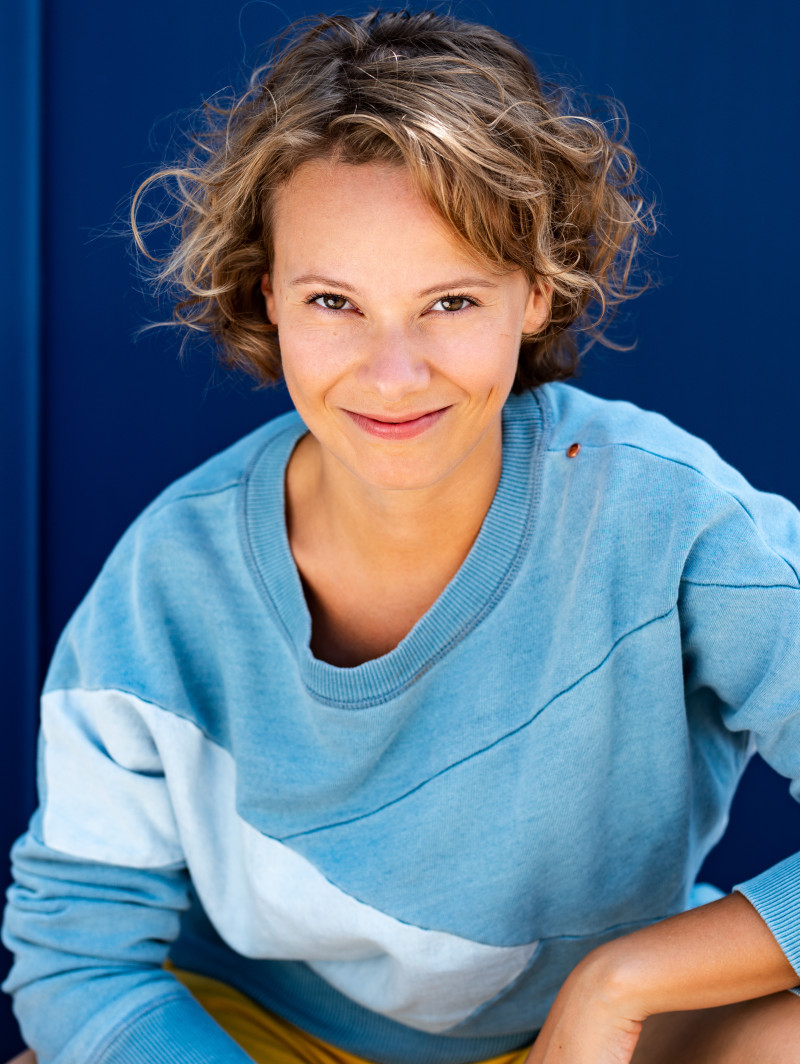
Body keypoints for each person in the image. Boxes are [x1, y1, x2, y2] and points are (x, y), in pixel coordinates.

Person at [3, 9, 800, 1064]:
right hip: (262, 1030)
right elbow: (77, 952)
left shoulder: (671, 519)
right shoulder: (168, 583)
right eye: (335, 301)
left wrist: (620, 983)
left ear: (536, 292)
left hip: (587, 1036)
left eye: (450, 301)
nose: (392, 372)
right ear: (269, 296)